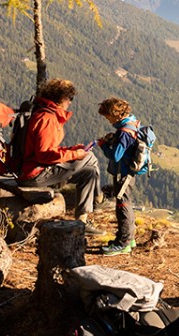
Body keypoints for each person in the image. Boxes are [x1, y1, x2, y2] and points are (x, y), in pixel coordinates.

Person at [16, 78, 102, 230]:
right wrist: (75, 154)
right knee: (90, 157)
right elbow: (44, 155)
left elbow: (48, 149)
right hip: (35, 175)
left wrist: (71, 150)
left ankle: (82, 219)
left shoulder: (43, 113)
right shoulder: (47, 119)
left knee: (89, 173)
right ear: (62, 99)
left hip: (35, 170)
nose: (70, 102)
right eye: (70, 98)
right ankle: (99, 199)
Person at [97, 97, 147, 256]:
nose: (107, 120)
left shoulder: (125, 132)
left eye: (108, 116)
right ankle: (128, 238)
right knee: (126, 203)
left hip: (123, 174)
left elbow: (115, 156)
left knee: (122, 206)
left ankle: (123, 243)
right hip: (129, 173)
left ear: (116, 114)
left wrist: (103, 145)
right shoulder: (132, 123)